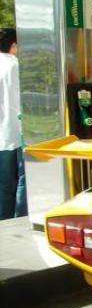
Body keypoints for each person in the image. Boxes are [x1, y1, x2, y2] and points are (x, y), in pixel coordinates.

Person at [0, 28, 28, 220]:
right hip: (17, 131)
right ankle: (20, 219)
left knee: (3, 184)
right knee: (23, 180)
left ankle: (4, 222)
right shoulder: (16, 65)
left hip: (2, 135)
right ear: (14, 45)